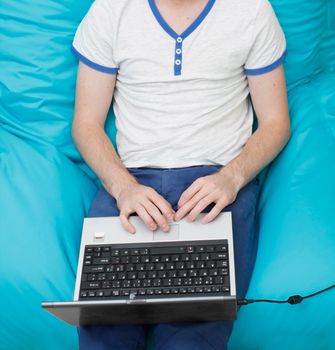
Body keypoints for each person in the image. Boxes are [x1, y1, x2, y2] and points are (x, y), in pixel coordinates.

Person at [70, 0, 291, 348]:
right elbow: (86, 124)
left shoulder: (251, 10)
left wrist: (231, 179)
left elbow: (276, 123)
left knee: (195, 331)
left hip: (216, 183)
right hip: (131, 183)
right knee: (106, 324)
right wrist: (123, 187)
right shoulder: (110, 10)